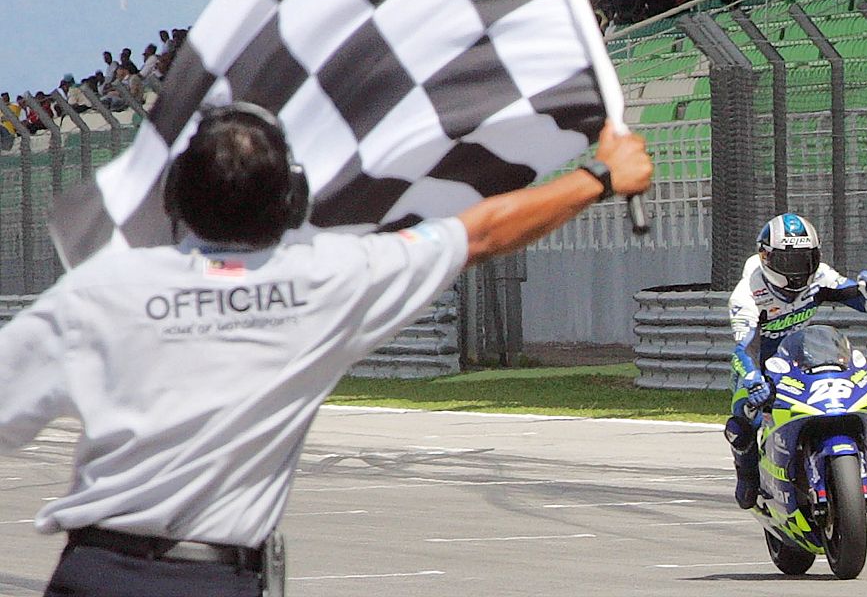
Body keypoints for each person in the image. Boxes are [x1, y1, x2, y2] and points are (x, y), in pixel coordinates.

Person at [0, 102, 652, 596]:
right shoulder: (326, 279)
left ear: (174, 196)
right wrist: (600, 176)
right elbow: (478, 233)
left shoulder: (102, 288)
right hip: (211, 576)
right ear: (291, 198)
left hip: (92, 571)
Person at [724, 213, 867, 509]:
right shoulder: (747, 293)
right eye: (789, 262)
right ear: (766, 257)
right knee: (743, 414)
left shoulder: (821, 276)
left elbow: (862, 302)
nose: (798, 271)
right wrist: (752, 378)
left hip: (799, 356)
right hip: (759, 363)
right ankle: (746, 475)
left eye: (805, 260)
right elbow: (743, 349)